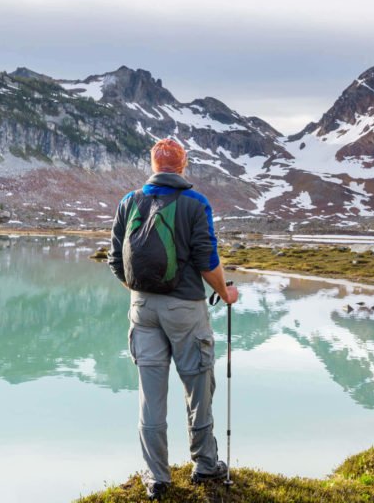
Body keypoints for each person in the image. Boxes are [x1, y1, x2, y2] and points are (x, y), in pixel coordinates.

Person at [109, 138, 239, 501]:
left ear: (152, 164)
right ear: (184, 166)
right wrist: (225, 293)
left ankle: (157, 478)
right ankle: (205, 464)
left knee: (150, 396)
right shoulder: (195, 203)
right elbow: (206, 260)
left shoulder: (128, 202)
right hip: (185, 308)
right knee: (198, 385)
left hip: (141, 309)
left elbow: (115, 260)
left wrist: (140, 291)